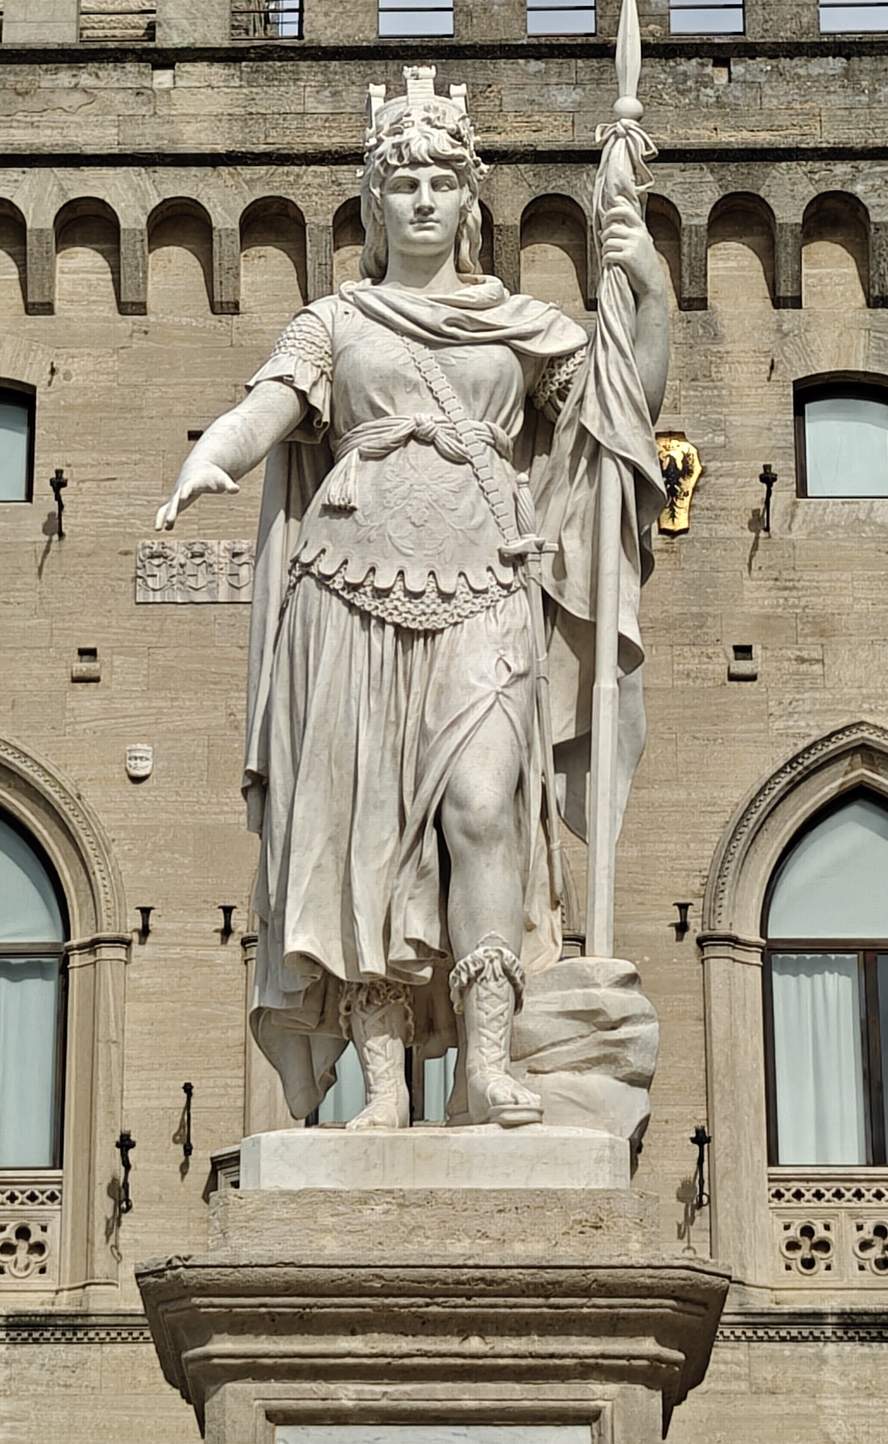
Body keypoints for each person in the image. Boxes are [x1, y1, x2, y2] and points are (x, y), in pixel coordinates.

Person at [157, 74, 669, 1130]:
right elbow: (270, 406)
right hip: (347, 595)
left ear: (469, 199)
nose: (424, 199)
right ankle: (384, 1086)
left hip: (487, 583)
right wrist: (212, 455)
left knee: (485, 808)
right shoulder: (334, 323)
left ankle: (487, 1062)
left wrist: (647, 288)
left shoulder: (520, 326)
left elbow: (622, 414)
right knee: (367, 838)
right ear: (373, 202)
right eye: (404, 182)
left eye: (442, 179)